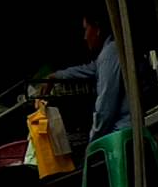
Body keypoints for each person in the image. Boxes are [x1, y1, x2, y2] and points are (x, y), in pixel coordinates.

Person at [48, 9, 132, 141]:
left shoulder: (109, 54)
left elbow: (105, 108)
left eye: (86, 29)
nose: (85, 37)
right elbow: (87, 69)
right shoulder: (108, 54)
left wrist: (93, 139)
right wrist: (56, 76)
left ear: (97, 29)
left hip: (123, 130)